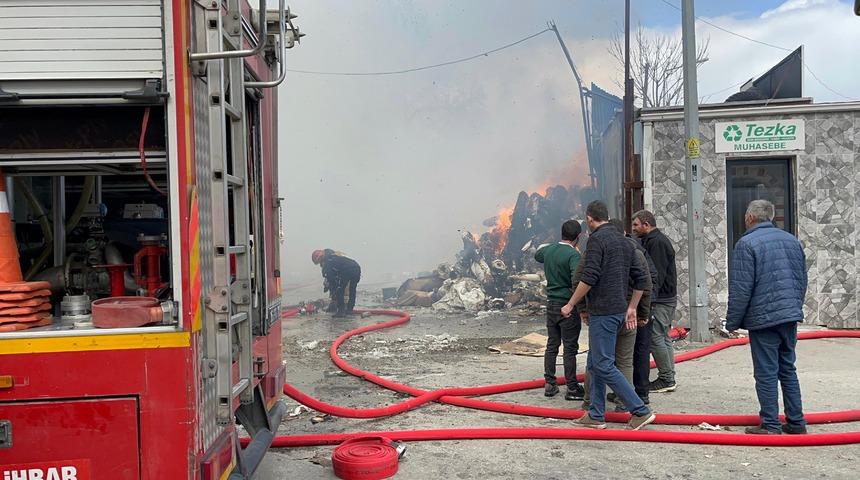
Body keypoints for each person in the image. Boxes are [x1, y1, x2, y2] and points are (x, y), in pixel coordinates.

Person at [562, 201, 655, 430]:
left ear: (589, 219)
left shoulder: (596, 240)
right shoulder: (625, 241)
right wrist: (632, 307)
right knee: (594, 362)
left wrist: (572, 304)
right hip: (619, 311)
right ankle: (595, 413)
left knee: (603, 364)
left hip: (603, 312)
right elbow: (642, 279)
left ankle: (640, 410)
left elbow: (588, 276)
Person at [726, 200, 808, 435]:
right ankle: (796, 422)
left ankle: (770, 424)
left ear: (750, 217)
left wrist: (732, 322)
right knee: (787, 369)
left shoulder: (746, 244)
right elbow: (802, 280)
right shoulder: (792, 241)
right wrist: (794, 307)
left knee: (766, 372)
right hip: (789, 316)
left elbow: (741, 288)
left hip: (763, 319)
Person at [576, 218, 653, 412]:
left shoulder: (595, 249)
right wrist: (640, 312)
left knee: (597, 361)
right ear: (625, 233)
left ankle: (592, 403)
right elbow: (645, 284)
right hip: (627, 315)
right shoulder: (634, 250)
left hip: (604, 313)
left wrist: (580, 308)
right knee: (623, 361)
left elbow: (581, 278)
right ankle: (619, 405)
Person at [534, 220, 585, 401]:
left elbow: (538, 254)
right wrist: (575, 303)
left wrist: (552, 245)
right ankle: (572, 387)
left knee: (552, 344)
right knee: (570, 348)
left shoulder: (550, 250)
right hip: (567, 306)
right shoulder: (574, 256)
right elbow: (576, 280)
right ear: (578, 237)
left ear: (561, 234)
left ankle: (550, 384)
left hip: (551, 304)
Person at [632, 209, 678, 393]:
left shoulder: (657, 243)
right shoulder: (654, 241)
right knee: (663, 337)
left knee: (655, 337)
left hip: (661, 300)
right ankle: (668, 376)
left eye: (636, 225)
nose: (633, 228)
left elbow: (654, 275)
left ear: (646, 224)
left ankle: (666, 379)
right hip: (665, 298)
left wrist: (648, 301)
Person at [312, 249, 361, 318]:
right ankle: (349, 310)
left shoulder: (328, 262)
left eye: (320, 263)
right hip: (356, 267)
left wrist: (333, 292)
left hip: (347, 270)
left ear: (320, 259)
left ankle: (341, 311)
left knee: (339, 290)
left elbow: (332, 280)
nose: (321, 265)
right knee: (352, 290)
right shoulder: (335, 256)